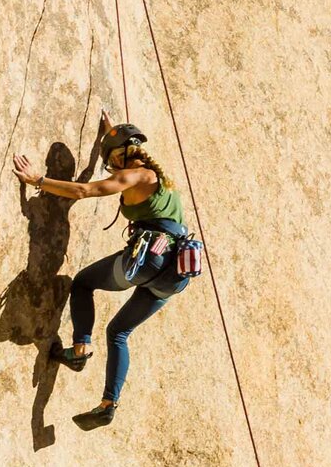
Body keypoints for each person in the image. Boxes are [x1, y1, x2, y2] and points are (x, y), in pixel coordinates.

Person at [12, 116, 198, 426]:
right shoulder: (164, 182)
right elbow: (93, 171)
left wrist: (38, 181)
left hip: (146, 261)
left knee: (83, 283)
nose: (110, 166)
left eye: (111, 159)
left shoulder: (136, 175)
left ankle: (81, 347)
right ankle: (108, 404)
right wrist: (111, 132)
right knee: (119, 332)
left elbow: (85, 189)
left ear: (122, 155)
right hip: (174, 276)